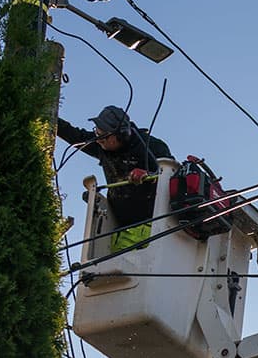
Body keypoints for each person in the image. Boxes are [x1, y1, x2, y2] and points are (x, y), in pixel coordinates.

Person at [57, 105, 172, 254]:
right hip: (120, 227)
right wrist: (52, 120)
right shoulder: (101, 144)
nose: (99, 140)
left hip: (152, 227)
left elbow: (170, 174)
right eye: (97, 133)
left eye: (103, 136)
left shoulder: (152, 147)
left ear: (121, 134)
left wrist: (148, 174)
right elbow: (74, 135)